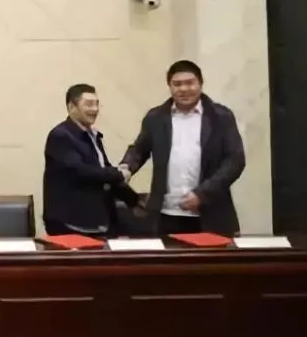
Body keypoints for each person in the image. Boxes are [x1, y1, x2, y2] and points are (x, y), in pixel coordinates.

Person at [118, 60, 245, 235]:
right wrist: (126, 168)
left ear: (200, 84)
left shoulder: (221, 116)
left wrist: (203, 194)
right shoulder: (156, 117)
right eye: (177, 84)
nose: (183, 89)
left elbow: (235, 161)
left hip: (211, 214)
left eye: (189, 83)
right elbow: (139, 150)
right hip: (166, 215)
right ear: (169, 86)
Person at [43, 84, 138, 237]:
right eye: (88, 104)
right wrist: (119, 174)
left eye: (97, 104)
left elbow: (103, 170)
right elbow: (80, 171)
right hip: (72, 222)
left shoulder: (92, 136)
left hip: (98, 220)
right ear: (71, 107)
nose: (95, 109)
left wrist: (134, 200)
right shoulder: (61, 136)